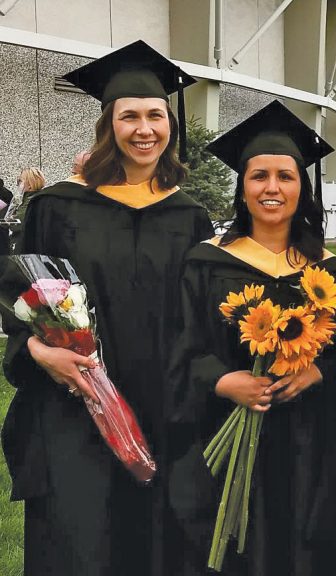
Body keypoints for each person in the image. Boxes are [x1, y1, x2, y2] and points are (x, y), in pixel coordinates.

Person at [1, 40, 213, 576]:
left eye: (155, 116)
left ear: (170, 124)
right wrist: (38, 353)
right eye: (130, 116)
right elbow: (23, 296)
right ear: (108, 124)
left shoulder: (189, 218)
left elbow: (207, 317)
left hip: (164, 405)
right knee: (80, 540)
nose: (144, 129)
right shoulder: (57, 206)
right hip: (76, 405)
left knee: (157, 542)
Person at [167, 100, 336, 575]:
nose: (272, 188)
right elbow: (180, 343)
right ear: (242, 188)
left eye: (285, 176)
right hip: (222, 432)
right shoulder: (207, 262)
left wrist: (317, 370)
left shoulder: (330, 272)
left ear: (301, 188)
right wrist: (223, 381)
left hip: (307, 447)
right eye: (259, 176)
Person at [11, 166, 46, 253]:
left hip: (26, 250)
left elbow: (15, 224)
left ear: (30, 185)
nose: (17, 184)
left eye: (20, 181)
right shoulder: (41, 198)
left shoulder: (31, 201)